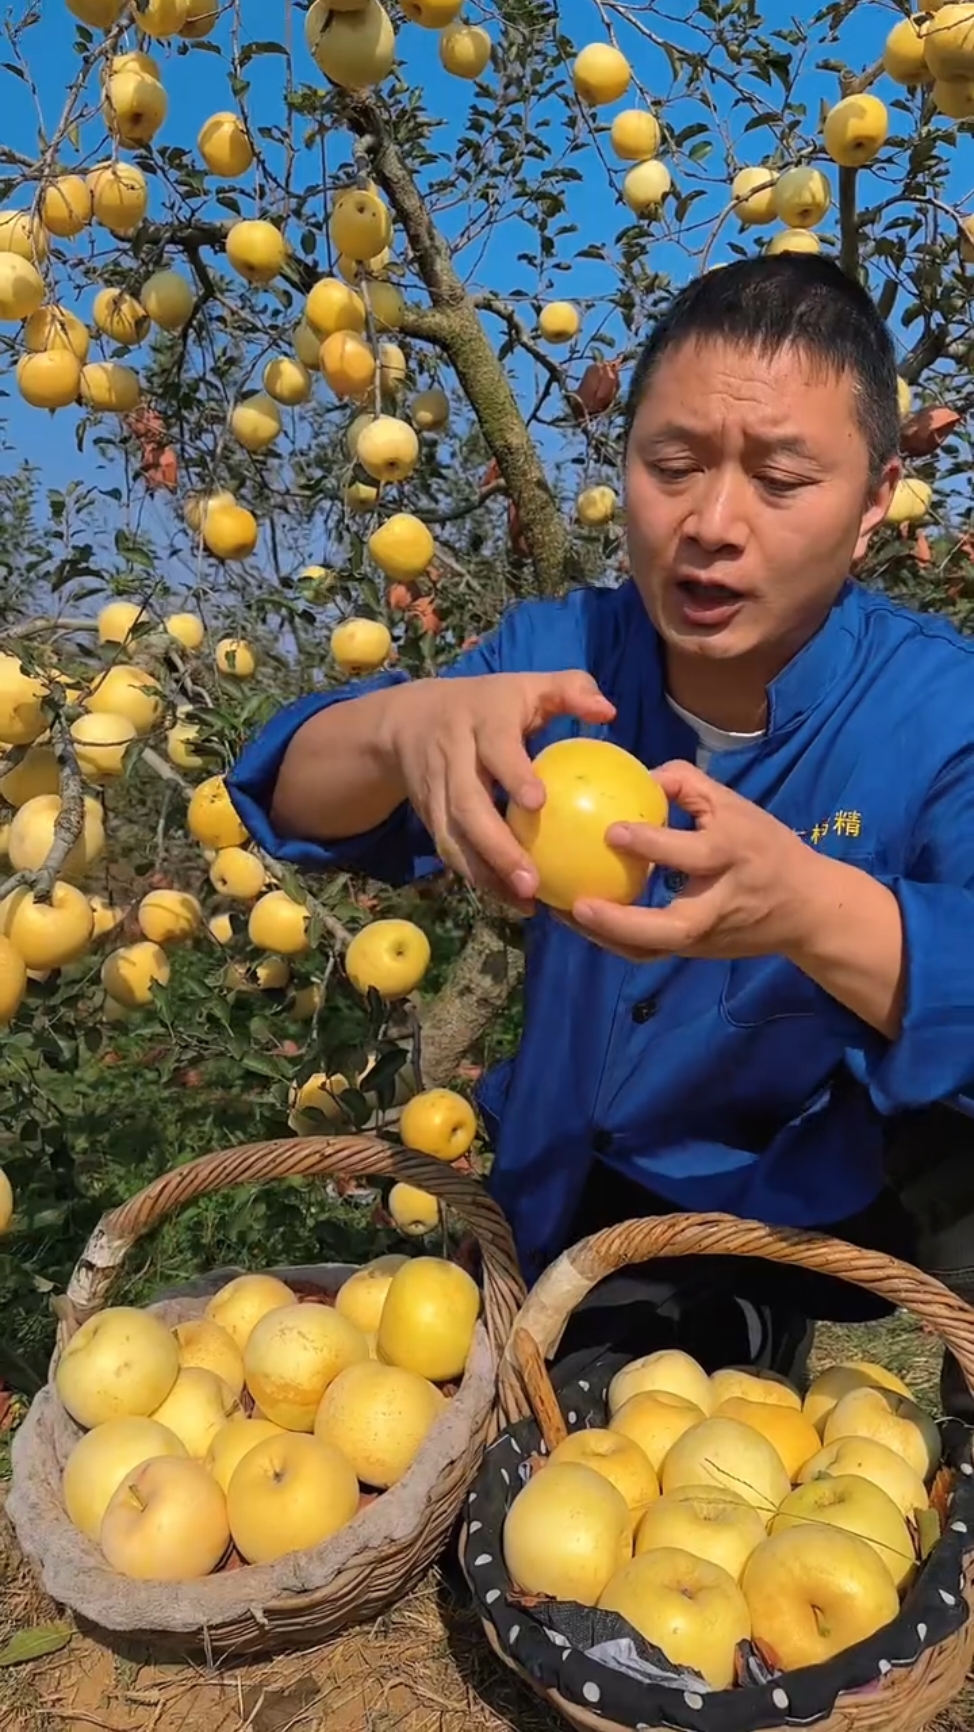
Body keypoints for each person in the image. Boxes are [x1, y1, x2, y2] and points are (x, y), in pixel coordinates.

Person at [228, 254, 974, 1412]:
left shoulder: (935, 715)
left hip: (784, 1199)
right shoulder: (560, 657)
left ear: (875, 500)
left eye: (779, 481)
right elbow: (293, 797)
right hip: (562, 1171)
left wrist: (811, 907)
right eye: (669, 466)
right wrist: (398, 729)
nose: (709, 524)